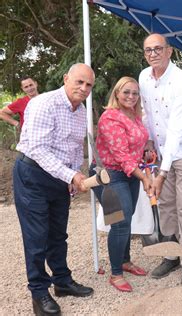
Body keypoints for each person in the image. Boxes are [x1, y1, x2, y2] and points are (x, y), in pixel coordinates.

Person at [13, 64, 95, 316]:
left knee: (58, 235)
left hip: (59, 179)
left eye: (88, 85)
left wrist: (72, 178)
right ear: (65, 78)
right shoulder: (43, 104)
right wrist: (71, 175)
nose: (83, 88)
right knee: (37, 238)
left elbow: (72, 150)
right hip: (33, 176)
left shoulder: (81, 111)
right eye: (79, 82)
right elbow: (38, 149)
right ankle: (39, 293)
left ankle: (62, 281)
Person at [139, 33, 182, 284]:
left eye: (158, 49)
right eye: (148, 50)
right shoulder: (144, 76)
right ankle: (171, 255)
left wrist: (163, 173)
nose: (153, 54)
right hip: (160, 151)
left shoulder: (181, 80)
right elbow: (146, 112)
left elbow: (177, 128)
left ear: (169, 51)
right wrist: (147, 141)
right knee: (165, 206)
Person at [90, 76, 152, 292]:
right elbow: (121, 155)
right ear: (116, 93)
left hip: (129, 174)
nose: (131, 96)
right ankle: (116, 273)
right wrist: (144, 177)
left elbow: (137, 146)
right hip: (109, 175)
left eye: (135, 93)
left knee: (127, 218)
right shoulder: (110, 117)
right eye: (126, 92)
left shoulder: (135, 115)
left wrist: (147, 150)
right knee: (119, 222)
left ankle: (125, 261)